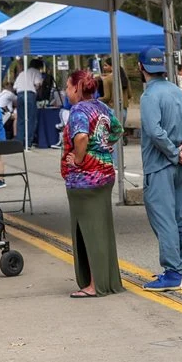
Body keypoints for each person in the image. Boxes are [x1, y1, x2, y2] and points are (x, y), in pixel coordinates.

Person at [138, 52, 182, 291]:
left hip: (159, 164)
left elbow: (154, 132)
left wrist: (173, 153)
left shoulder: (149, 96)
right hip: (180, 164)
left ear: (140, 66)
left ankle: (173, 272)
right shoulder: (176, 90)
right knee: (180, 215)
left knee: (164, 219)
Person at [61, 67, 123, 297]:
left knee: (89, 231)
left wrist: (78, 159)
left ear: (77, 88)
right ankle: (108, 280)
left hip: (85, 181)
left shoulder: (78, 110)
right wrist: (104, 146)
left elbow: (81, 137)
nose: (67, 92)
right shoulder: (102, 106)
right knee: (102, 229)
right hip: (105, 175)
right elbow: (117, 129)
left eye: (68, 87)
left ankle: (94, 285)